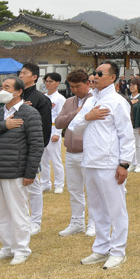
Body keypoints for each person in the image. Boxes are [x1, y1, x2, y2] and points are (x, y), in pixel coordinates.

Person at [69, 62, 135, 269]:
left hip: (109, 163)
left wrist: (124, 163)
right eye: (94, 73)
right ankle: (101, 247)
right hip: (90, 161)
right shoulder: (91, 100)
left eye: (100, 73)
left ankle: (118, 251)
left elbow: (126, 135)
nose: (95, 76)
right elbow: (73, 127)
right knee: (97, 209)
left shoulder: (118, 102)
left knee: (116, 209)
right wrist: (87, 117)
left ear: (112, 78)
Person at [0, 76, 43, 265]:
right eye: (2, 86)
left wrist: (30, 173)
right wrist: (4, 125)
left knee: (18, 212)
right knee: (2, 214)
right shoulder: (0, 113)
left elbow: (36, 145)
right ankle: (7, 247)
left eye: (7, 87)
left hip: (16, 171)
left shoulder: (29, 113)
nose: (2, 90)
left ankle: (21, 249)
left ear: (18, 91)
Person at [54, 70, 94, 236]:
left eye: (78, 86)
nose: (75, 90)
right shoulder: (70, 101)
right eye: (72, 87)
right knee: (74, 190)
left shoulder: (94, 100)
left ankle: (93, 223)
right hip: (70, 151)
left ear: (87, 83)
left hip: (88, 151)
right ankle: (77, 222)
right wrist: (75, 113)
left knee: (91, 190)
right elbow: (58, 122)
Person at [17, 62, 55, 235]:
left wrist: (38, 148)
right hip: (15, 147)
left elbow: (45, 128)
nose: (20, 75)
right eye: (20, 73)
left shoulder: (41, 99)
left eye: (24, 73)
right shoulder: (15, 96)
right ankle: (22, 220)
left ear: (34, 77)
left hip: (32, 146)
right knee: (17, 186)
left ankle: (35, 221)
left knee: (33, 184)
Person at [40, 72, 68, 192]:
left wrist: (57, 133)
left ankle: (59, 184)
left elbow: (62, 116)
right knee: (43, 159)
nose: (48, 83)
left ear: (57, 83)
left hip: (53, 128)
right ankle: (45, 183)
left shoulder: (60, 99)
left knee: (55, 159)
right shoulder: (43, 97)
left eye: (50, 81)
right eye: (46, 81)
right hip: (43, 129)